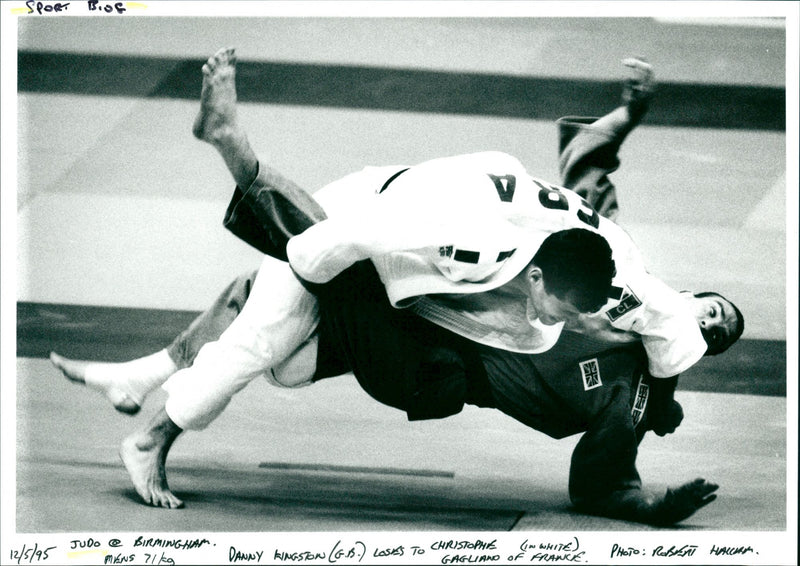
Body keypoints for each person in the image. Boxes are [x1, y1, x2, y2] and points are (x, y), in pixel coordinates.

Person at [51, 51, 738, 524]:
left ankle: (139, 377)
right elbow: (339, 240)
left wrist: (662, 402)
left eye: (718, 330)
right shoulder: (467, 237)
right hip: (374, 211)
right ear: (535, 276)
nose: (585, 324)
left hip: (429, 289)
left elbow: (669, 325)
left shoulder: (625, 277)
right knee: (274, 320)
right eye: (713, 308)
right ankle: (151, 435)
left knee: (287, 363)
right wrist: (304, 275)